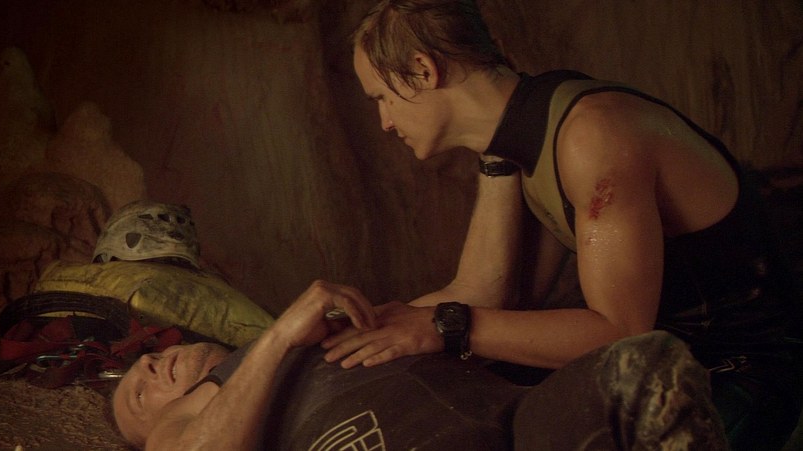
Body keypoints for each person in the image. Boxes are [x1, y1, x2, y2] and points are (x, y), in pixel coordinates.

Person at [321, 1, 803, 450]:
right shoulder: (515, 137)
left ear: (423, 70)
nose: (384, 122)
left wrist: (441, 324)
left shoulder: (592, 134)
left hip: (745, 367)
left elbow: (620, 332)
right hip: (661, 362)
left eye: (382, 98)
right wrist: (367, 327)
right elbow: (484, 294)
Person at [112, 279, 727, 450]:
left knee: (649, 365)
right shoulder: (205, 412)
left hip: (514, 423)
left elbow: (478, 290)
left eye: (148, 359)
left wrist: (496, 156)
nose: (149, 368)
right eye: (139, 394)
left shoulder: (320, 329)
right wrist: (275, 338)